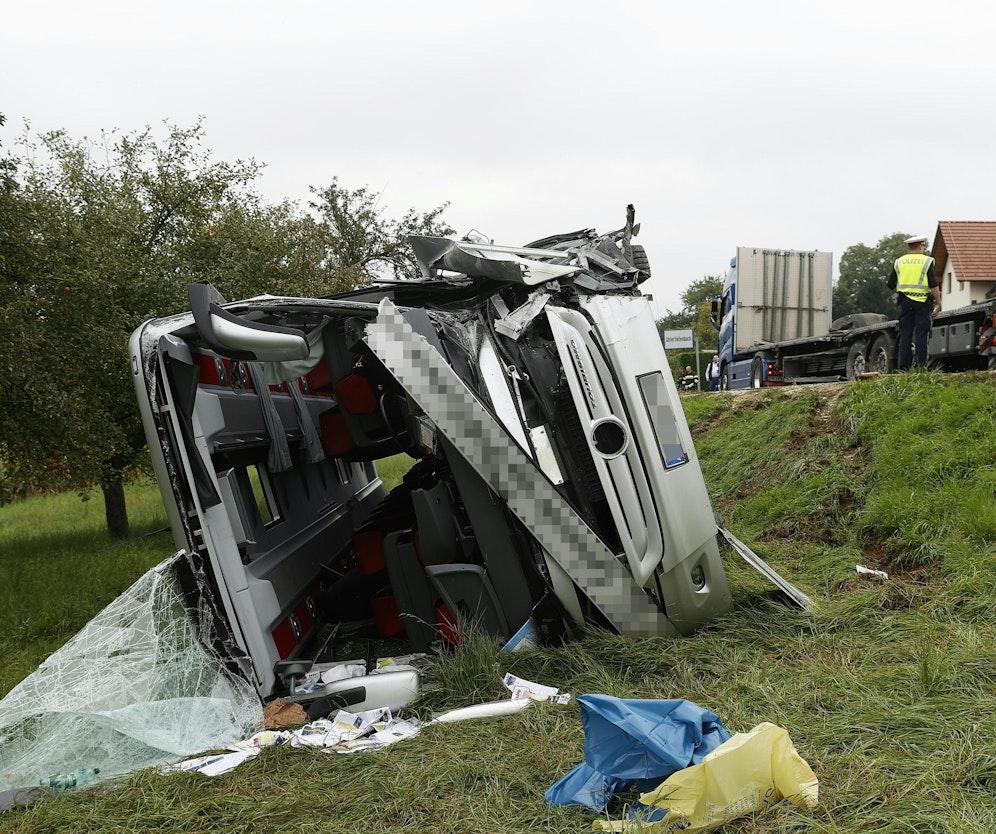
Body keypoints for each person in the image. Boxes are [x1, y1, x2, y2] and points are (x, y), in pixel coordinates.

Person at [887, 235, 941, 370]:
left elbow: (890, 284)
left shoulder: (899, 261)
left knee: (905, 334)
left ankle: (904, 368)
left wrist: (902, 292)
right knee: (922, 335)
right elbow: (933, 284)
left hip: (905, 302)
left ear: (909, 247)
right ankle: (921, 367)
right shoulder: (927, 261)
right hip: (922, 303)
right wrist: (939, 303)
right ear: (920, 246)